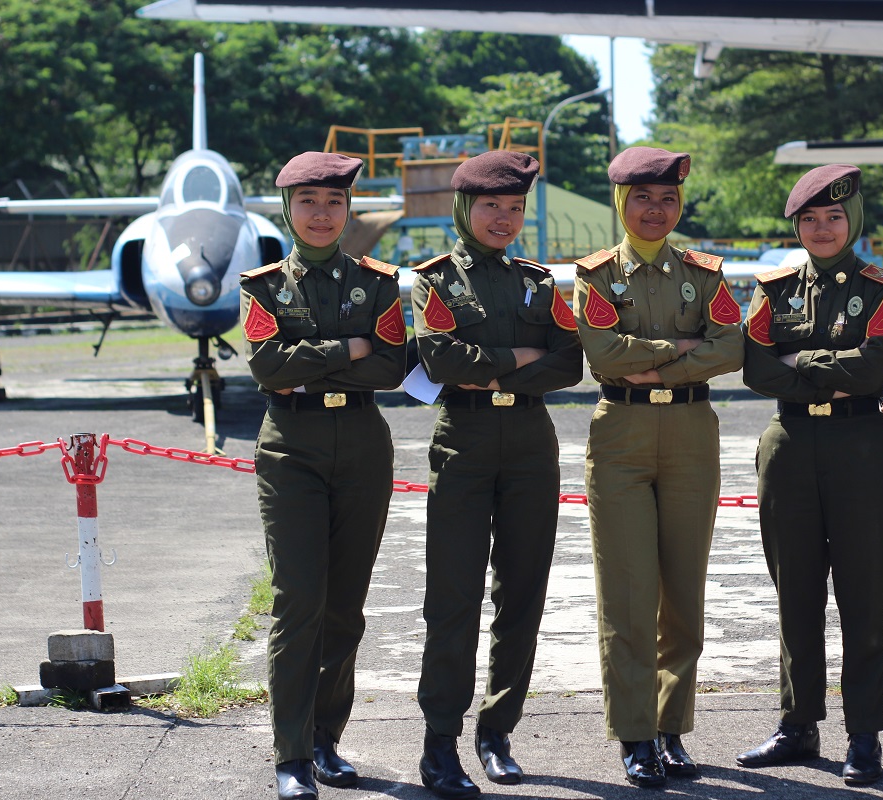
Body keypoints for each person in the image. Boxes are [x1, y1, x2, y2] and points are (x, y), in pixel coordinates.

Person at [411, 150, 583, 799]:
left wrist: (490, 365)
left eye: (514, 208)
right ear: (464, 208)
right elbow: (441, 360)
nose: (503, 219)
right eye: (491, 206)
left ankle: (497, 730)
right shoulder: (434, 281)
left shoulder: (538, 282)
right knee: (452, 597)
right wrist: (521, 355)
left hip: (531, 444)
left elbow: (570, 362)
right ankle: (440, 742)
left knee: (523, 593)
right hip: (465, 440)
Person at [572, 146, 746, 788]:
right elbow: (603, 354)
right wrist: (683, 347)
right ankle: (636, 734)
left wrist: (653, 360)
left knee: (684, 593)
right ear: (622, 202)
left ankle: (672, 729)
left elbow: (732, 346)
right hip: (621, 434)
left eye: (667, 198)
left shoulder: (704, 274)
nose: (655, 209)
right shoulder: (594, 276)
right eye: (642, 197)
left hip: (692, 435)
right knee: (627, 594)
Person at [239, 151, 408, 800]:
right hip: (292, 449)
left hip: (363, 445)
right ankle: (290, 755)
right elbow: (268, 368)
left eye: (334, 202)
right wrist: (350, 347)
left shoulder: (377, 283)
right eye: (308, 201)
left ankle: (325, 741)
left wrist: (311, 362)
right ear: (288, 209)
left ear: (348, 210)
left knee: (344, 609)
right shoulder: (264, 287)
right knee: (298, 601)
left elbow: (390, 368)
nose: (321, 213)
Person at [734, 165, 883, 785]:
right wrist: (831, 367)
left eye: (833, 217)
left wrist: (799, 359)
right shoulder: (773, 289)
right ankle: (797, 724)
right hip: (788, 447)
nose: (822, 228)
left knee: (864, 596)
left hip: (859, 446)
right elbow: (756, 369)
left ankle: (864, 734)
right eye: (809, 219)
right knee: (795, 595)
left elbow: (872, 370)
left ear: (852, 220)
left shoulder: (882, 288)